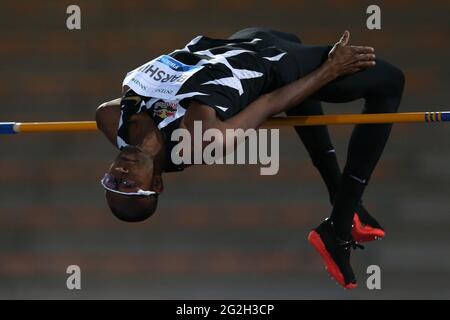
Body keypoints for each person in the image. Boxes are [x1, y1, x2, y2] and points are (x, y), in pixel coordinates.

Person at [95, 27, 405, 289]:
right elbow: (270, 103)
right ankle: (339, 227)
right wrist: (330, 70)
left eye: (113, 181)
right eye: (129, 185)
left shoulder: (111, 119)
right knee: (390, 81)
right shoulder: (200, 140)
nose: (121, 172)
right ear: (157, 183)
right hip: (272, 63)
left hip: (237, 42)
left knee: (288, 36)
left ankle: (343, 201)